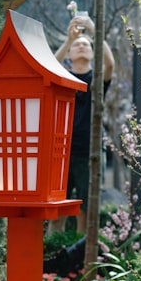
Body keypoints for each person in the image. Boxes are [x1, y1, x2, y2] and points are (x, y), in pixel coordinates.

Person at [49, 13, 115, 235]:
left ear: (93, 51)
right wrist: (69, 39)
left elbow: (110, 64)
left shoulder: (96, 81)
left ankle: (79, 261)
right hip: (61, 152)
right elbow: (47, 67)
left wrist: (94, 31)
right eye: (76, 45)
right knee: (56, 210)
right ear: (68, 52)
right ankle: (52, 255)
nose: (81, 47)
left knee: (86, 211)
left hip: (90, 151)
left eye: (86, 44)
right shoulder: (62, 78)